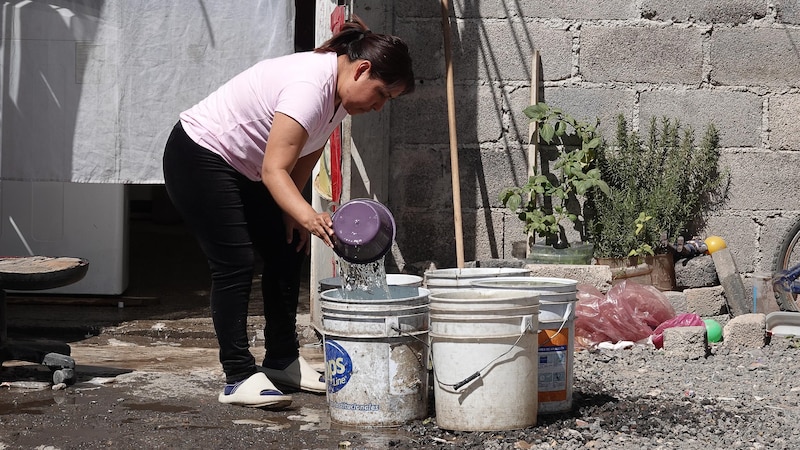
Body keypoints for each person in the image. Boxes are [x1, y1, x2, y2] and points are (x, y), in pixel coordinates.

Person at [162, 16, 414, 409]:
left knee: (287, 246)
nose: (380, 107)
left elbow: (304, 152)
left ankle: (282, 359)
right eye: (381, 95)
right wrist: (309, 216)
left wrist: (292, 213)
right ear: (362, 69)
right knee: (235, 262)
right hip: (200, 154)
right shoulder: (309, 87)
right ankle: (238, 375)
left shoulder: (339, 99)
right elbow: (272, 170)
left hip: (245, 166)